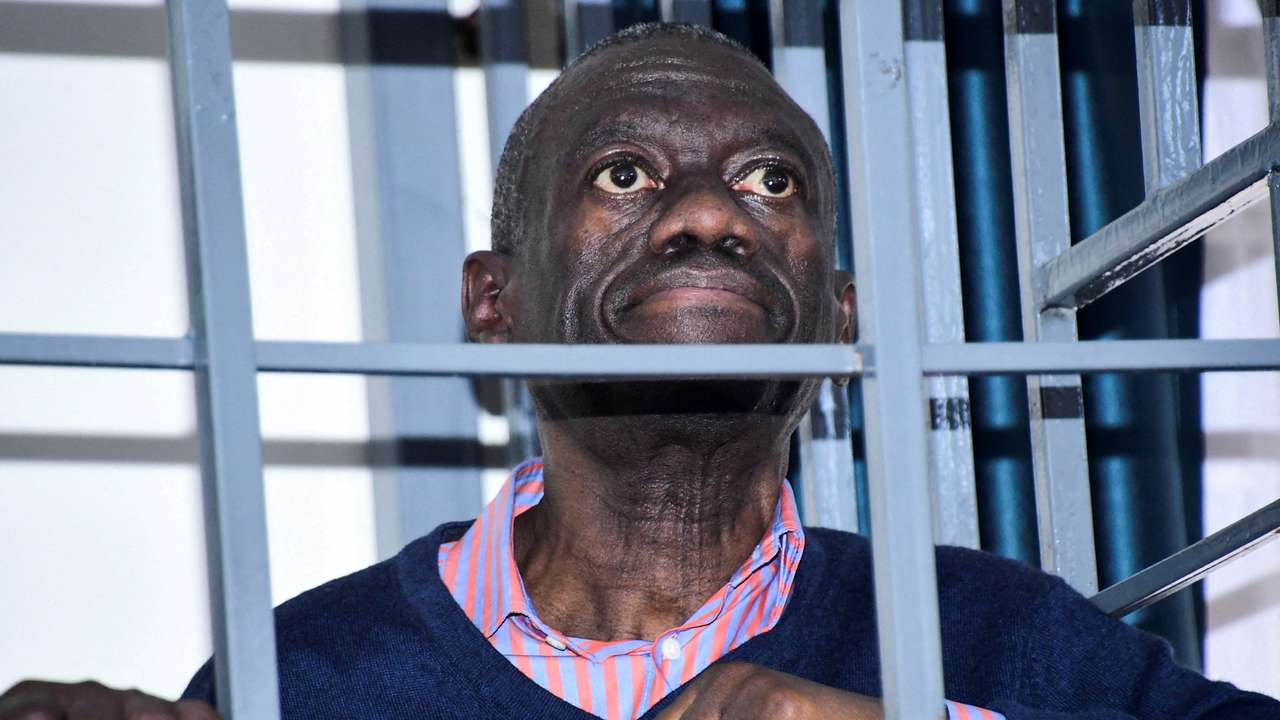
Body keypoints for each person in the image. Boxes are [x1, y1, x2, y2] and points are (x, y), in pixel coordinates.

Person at [3, 22, 1279, 720]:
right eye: (624, 174)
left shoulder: (987, 634)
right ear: (492, 305)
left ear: (837, 318)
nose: (710, 215)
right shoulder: (304, 678)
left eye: (769, 182)